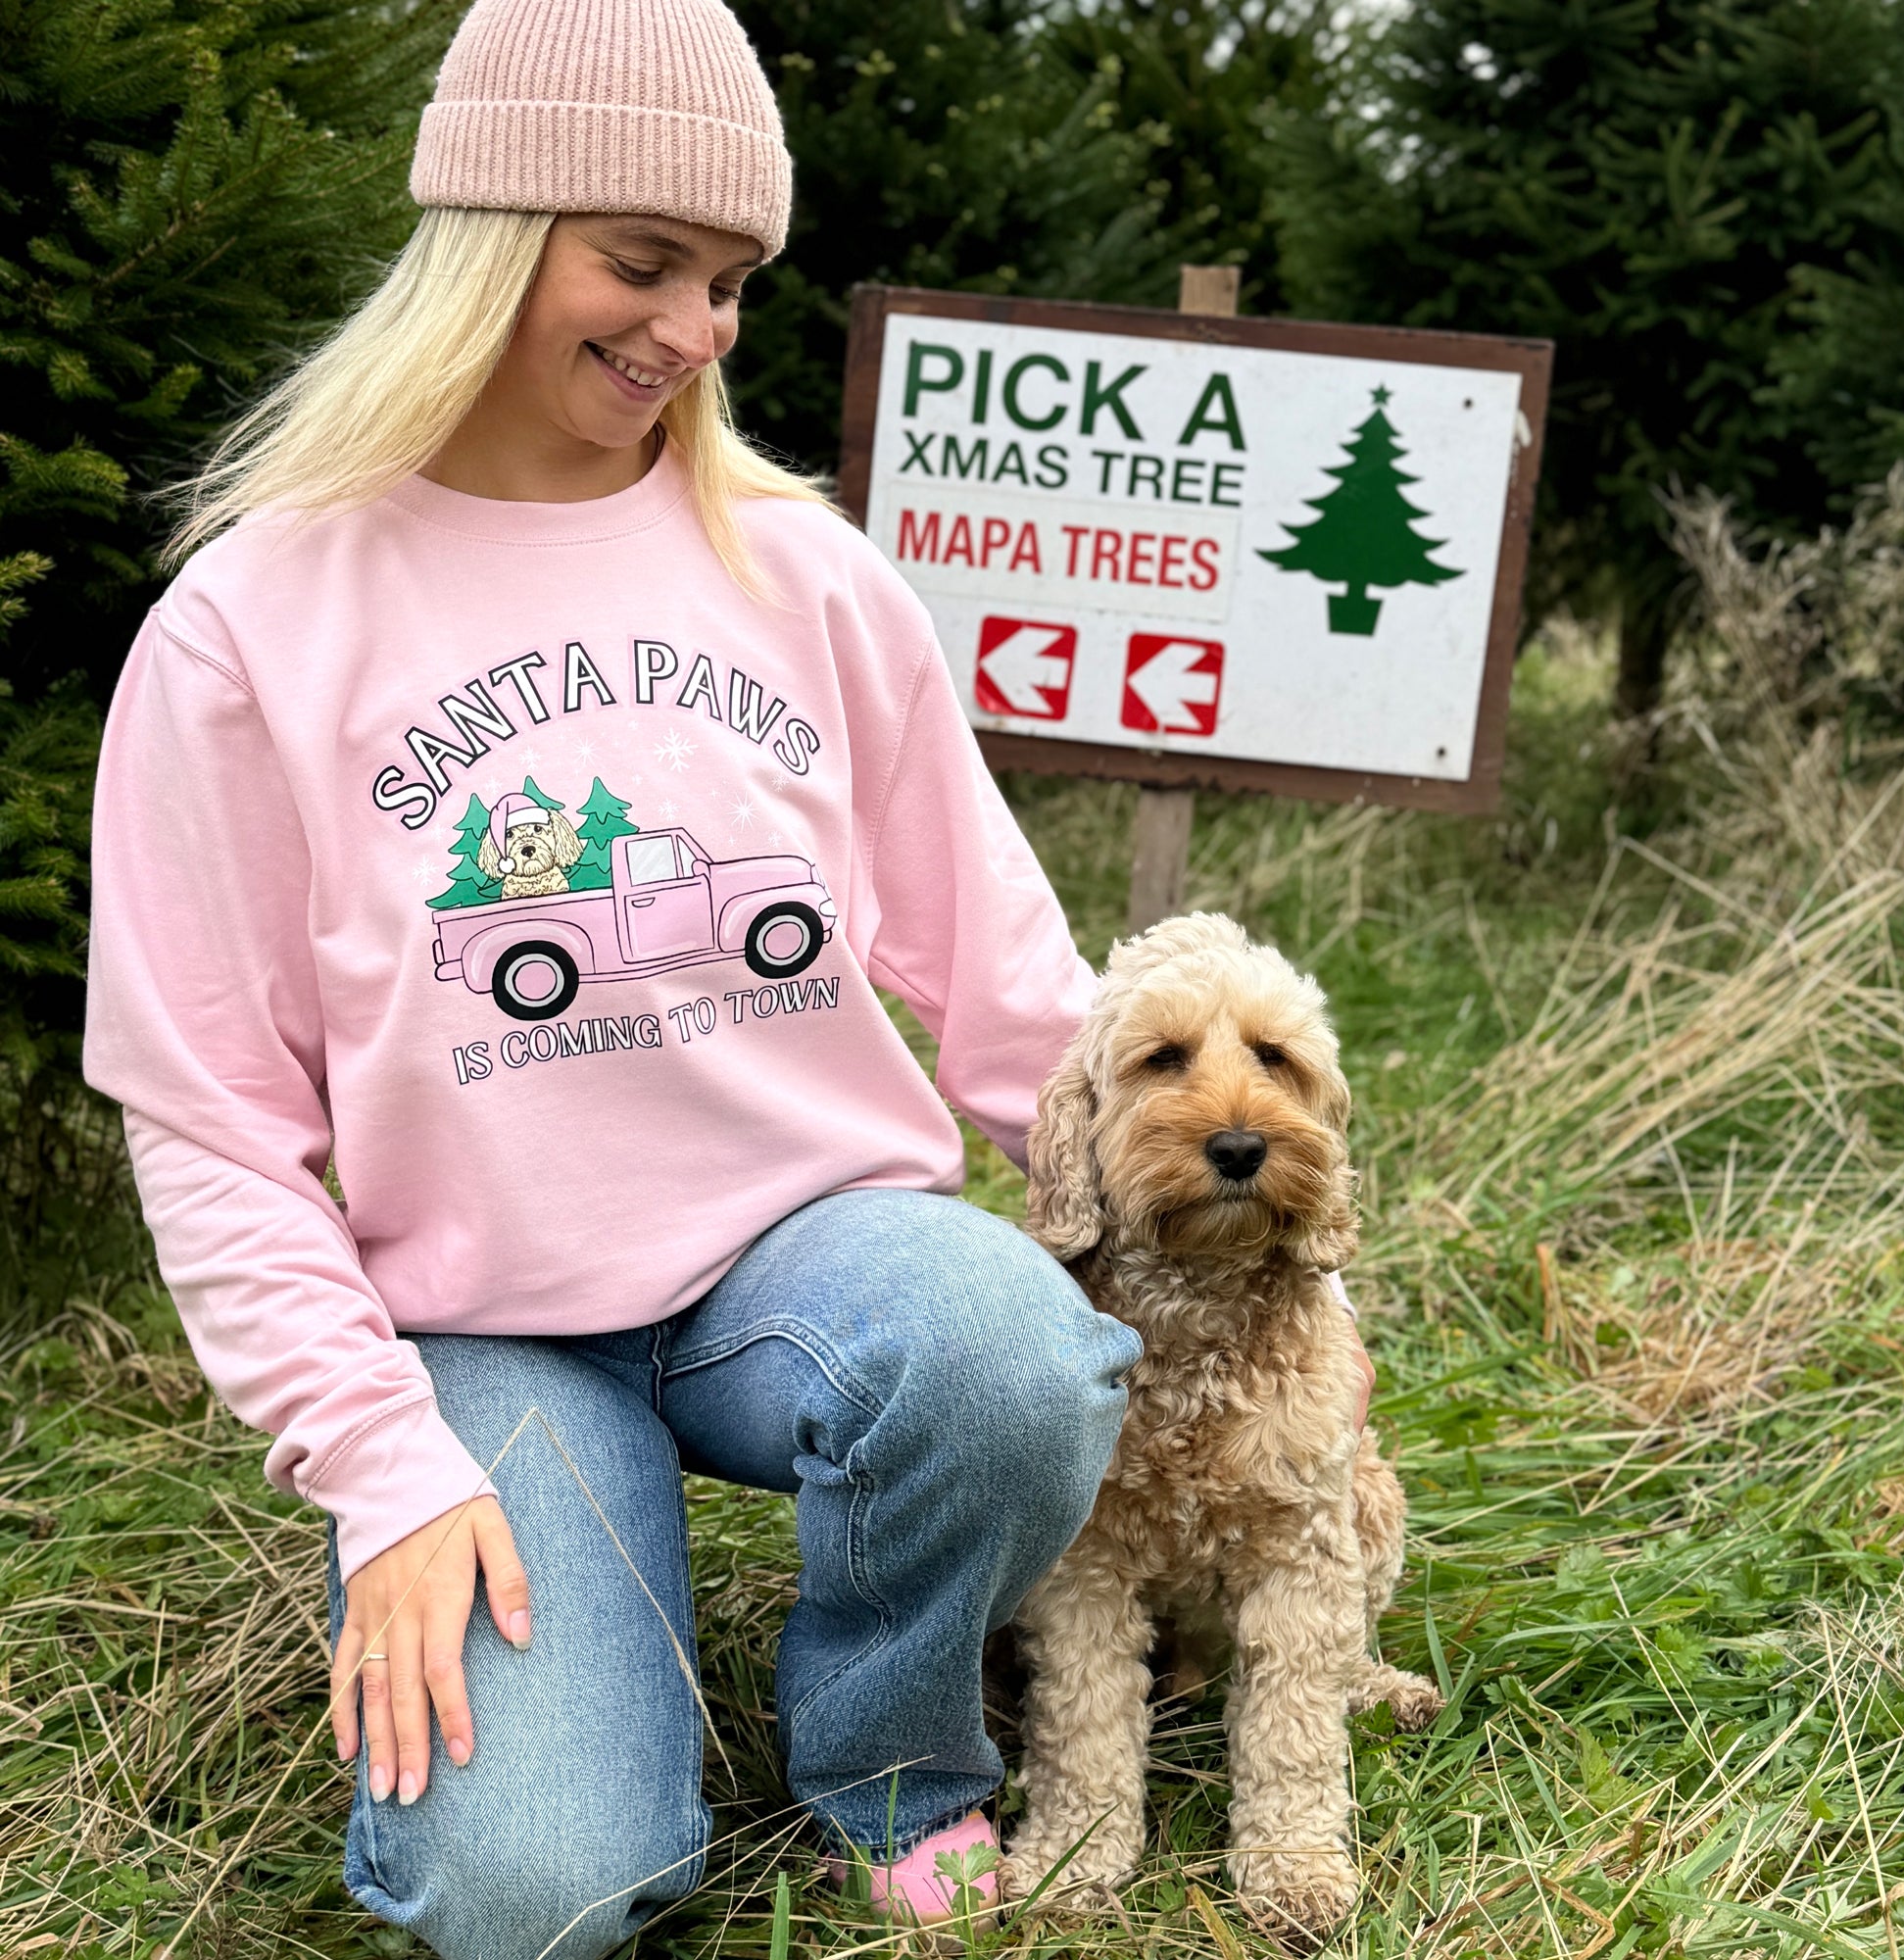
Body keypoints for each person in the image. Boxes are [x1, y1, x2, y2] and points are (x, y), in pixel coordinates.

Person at [80, 1, 1371, 1954]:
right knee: (541, 1888)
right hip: (490, 1325)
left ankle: (890, 1745)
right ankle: (592, 1607)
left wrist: (1219, 1230)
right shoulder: (256, 620)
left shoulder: (803, 574)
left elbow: (1005, 971)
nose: (693, 328)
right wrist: (389, 1476)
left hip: (810, 1270)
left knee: (1015, 1354)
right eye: (642, 263)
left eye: (732, 283)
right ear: (490, 239)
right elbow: (207, 1115)